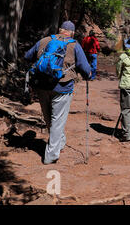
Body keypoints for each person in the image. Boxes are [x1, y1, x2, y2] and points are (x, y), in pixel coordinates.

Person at [25, 21, 91, 164]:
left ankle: (60, 143)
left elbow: (27, 56)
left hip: (42, 86)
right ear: (72, 33)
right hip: (63, 87)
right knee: (57, 120)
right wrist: (89, 74)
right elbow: (85, 68)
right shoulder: (74, 45)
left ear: (60, 30)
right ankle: (51, 155)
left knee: (49, 118)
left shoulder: (45, 40)